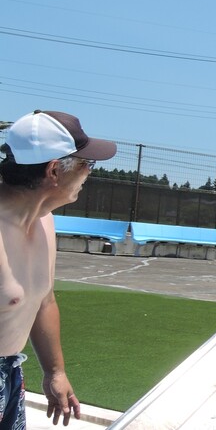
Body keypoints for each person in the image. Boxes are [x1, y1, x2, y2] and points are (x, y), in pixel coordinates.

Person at [0, 110, 116, 427]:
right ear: (54, 170)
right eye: (86, 163)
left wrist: (56, 371)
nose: (90, 172)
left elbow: (44, 300)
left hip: (10, 370)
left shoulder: (44, 221)